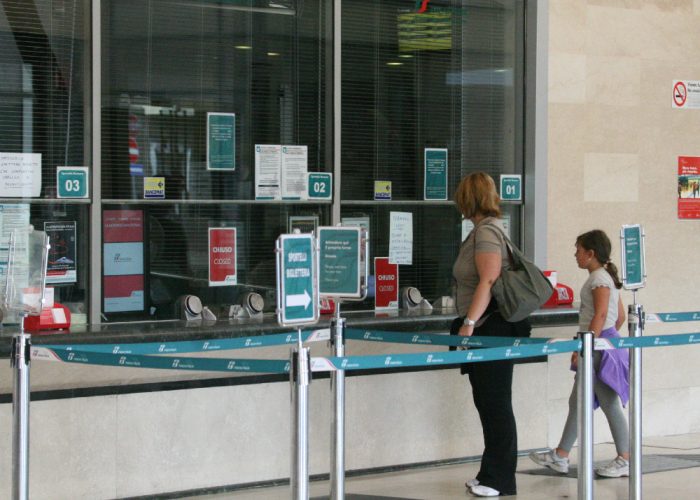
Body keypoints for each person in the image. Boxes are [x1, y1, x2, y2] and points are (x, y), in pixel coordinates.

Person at [452, 172, 531, 497]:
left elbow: (487, 280)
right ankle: (489, 472)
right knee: (486, 400)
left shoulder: (486, 233)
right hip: (485, 327)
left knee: (496, 402)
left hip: (491, 328)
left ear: (469, 198)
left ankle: (500, 479)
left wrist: (468, 324)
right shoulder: (482, 232)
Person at [529, 229, 630, 478]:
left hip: (595, 346)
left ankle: (625, 458)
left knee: (607, 402)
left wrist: (587, 346)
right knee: (578, 401)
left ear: (591, 253)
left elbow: (600, 315)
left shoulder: (598, 280)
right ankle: (561, 455)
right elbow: (619, 317)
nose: (575, 255)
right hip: (601, 343)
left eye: (578, 250)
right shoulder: (605, 277)